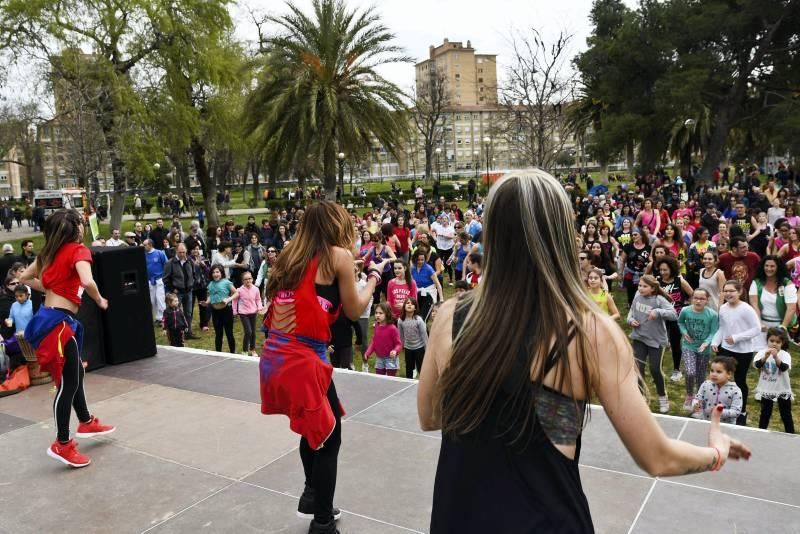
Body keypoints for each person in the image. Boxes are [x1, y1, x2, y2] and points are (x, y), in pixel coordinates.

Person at [417, 173, 750, 533]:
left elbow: (431, 417)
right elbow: (658, 457)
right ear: (562, 235)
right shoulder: (590, 331)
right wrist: (715, 453)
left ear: (493, 234)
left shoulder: (452, 317)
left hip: (459, 518)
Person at [260, 201, 380, 533]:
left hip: (276, 356)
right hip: (303, 360)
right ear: (335, 224)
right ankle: (322, 524)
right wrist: (371, 279)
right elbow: (354, 311)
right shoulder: (338, 257)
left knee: (315, 426)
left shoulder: (289, 255)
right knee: (329, 437)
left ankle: (313, 495)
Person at [19, 209, 114, 468]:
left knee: (74, 376)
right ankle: (62, 443)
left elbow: (24, 278)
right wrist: (98, 298)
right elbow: (87, 280)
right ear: (77, 229)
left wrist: (51, 287)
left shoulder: (48, 254)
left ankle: (85, 421)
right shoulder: (77, 251)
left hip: (51, 320)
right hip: (57, 325)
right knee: (67, 384)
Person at [712, 280, 762, 426]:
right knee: (722, 378)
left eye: (731, 291)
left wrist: (736, 338)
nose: (728, 294)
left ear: (739, 292)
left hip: (744, 351)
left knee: (740, 380)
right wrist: (715, 341)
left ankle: (741, 411)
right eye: (725, 291)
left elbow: (756, 329)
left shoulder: (746, 309)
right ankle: (723, 407)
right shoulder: (723, 308)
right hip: (726, 349)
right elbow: (722, 328)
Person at [628, 275, 677, 413]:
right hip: (639, 337)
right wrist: (630, 320)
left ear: (653, 288)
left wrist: (658, 311)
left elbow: (673, 314)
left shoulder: (658, 299)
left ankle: (662, 397)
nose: (641, 288)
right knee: (638, 369)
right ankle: (641, 396)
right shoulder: (637, 295)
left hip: (656, 341)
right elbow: (631, 311)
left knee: (655, 370)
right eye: (640, 285)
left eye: (645, 286)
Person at [678, 289, 719, 413]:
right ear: (691, 299)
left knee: (700, 376)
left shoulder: (712, 314)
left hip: (704, 349)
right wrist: (684, 333)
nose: (698, 301)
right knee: (690, 372)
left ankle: (699, 398)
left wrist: (706, 343)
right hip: (688, 346)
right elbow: (680, 322)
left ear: (707, 300)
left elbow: (713, 331)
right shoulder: (685, 311)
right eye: (695, 298)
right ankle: (690, 395)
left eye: (702, 299)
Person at [654, 255, 693, 383]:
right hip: (661, 317)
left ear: (672, 269)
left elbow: (692, 294)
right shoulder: (657, 282)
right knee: (659, 343)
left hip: (677, 317)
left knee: (676, 344)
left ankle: (677, 370)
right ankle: (657, 370)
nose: (663, 272)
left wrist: (690, 310)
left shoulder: (679, 281)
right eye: (661, 270)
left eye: (665, 269)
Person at [749, 255, 797, 350]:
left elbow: (791, 308)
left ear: (778, 268)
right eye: (766, 266)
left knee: (779, 355)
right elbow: (754, 304)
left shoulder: (786, 283)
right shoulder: (757, 282)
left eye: (772, 266)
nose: (768, 269)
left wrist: (783, 327)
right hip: (762, 323)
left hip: (780, 323)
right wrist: (759, 324)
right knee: (760, 354)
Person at [753, 327, 794, 433]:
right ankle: (761, 432)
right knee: (765, 412)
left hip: (782, 388)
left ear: (782, 343)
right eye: (771, 341)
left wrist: (776, 358)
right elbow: (757, 365)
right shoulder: (762, 353)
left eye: (778, 342)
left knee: (785, 413)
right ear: (767, 341)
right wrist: (765, 357)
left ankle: (791, 435)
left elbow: (784, 368)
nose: (774, 344)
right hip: (767, 388)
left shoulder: (785, 355)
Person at [691, 357, 743, 424]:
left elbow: (736, 412)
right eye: (712, 370)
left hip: (726, 426)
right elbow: (698, 399)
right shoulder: (705, 384)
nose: (714, 374)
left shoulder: (735, 391)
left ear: (729, 374)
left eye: (719, 372)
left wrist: (719, 411)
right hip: (707, 422)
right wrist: (695, 404)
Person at [162, 243, 196, 338]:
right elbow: (165, 278)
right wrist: (173, 289)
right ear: (176, 251)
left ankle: (188, 332)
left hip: (188, 291)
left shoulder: (189, 261)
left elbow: (193, 273)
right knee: (174, 313)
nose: (182, 254)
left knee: (188, 313)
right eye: (180, 252)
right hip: (177, 293)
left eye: (184, 252)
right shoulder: (170, 263)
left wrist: (192, 284)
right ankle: (174, 333)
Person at [203, 265, 237, 354]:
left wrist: (229, 299)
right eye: (213, 272)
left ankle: (232, 353)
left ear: (221, 273)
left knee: (229, 333)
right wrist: (207, 302)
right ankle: (218, 353)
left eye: (217, 272)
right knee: (218, 334)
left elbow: (237, 293)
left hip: (226, 311)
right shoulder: (210, 284)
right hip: (215, 312)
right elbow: (210, 295)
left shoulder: (226, 282)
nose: (215, 274)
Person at [363, 302, 401, 376]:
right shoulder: (377, 326)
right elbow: (374, 342)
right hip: (379, 358)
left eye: (380, 313)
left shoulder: (392, 328)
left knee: (390, 380)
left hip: (391, 359)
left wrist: (395, 351)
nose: (377, 315)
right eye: (376, 313)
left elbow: (398, 344)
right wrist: (368, 352)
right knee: (379, 378)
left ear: (387, 314)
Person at [232, 271, 263, 357]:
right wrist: (235, 311)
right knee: (248, 332)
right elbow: (234, 301)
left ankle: (252, 349)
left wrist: (259, 307)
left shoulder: (256, 289)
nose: (248, 281)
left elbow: (258, 299)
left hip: (253, 312)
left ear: (252, 279)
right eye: (245, 279)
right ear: (242, 281)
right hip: (243, 313)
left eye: (249, 278)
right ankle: (245, 350)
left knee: (253, 332)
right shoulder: (239, 290)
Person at [398, 297, 427, 379]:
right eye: (407, 303)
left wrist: (427, 349)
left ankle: (423, 383)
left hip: (419, 348)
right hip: (408, 348)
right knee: (409, 368)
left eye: (412, 303)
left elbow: (424, 335)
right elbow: (401, 335)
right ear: (404, 306)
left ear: (415, 308)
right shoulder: (400, 320)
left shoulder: (419, 320)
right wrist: (401, 346)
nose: (409, 304)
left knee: (421, 368)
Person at [143, 239, 168, 325]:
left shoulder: (159, 253)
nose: (143, 246)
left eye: (145, 245)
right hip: (150, 280)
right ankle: (158, 317)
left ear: (150, 245)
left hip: (159, 279)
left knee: (160, 298)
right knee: (152, 299)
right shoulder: (144, 255)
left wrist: (164, 278)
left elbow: (166, 265)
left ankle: (164, 318)